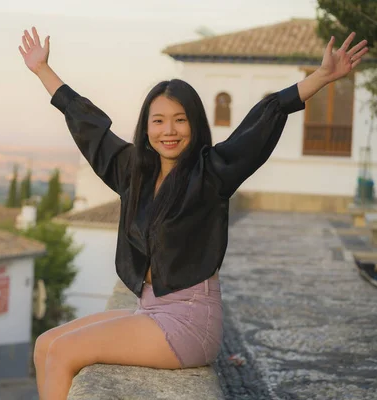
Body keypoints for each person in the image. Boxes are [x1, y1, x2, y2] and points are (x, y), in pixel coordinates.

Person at [19, 27, 369, 400]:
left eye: (180, 119)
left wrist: (321, 77)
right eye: (158, 120)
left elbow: (262, 120)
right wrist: (43, 70)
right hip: (149, 308)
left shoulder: (211, 174)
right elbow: (91, 127)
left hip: (188, 320)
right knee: (46, 344)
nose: (168, 130)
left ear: (194, 124)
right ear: (146, 126)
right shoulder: (133, 172)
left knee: (64, 352)